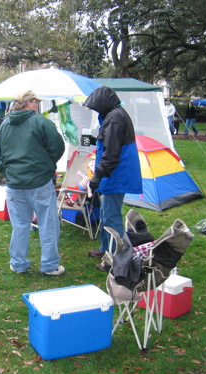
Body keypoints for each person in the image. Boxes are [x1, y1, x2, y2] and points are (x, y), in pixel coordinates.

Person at [0, 90, 65, 275]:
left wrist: (9, 172)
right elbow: (57, 147)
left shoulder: (4, 125)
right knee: (48, 224)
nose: (38, 105)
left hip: (15, 183)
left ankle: (18, 264)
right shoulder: (41, 122)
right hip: (39, 182)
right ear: (29, 102)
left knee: (20, 225)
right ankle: (49, 266)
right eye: (36, 102)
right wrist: (47, 166)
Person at [84, 86, 142, 271]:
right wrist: (95, 140)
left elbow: (111, 155)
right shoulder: (115, 114)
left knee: (111, 218)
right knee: (105, 213)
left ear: (103, 104)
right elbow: (111, 142)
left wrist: (96, 178)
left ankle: (118, 260)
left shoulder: (114, 118)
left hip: (116, 173)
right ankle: (105, 248)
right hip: (115, 172)